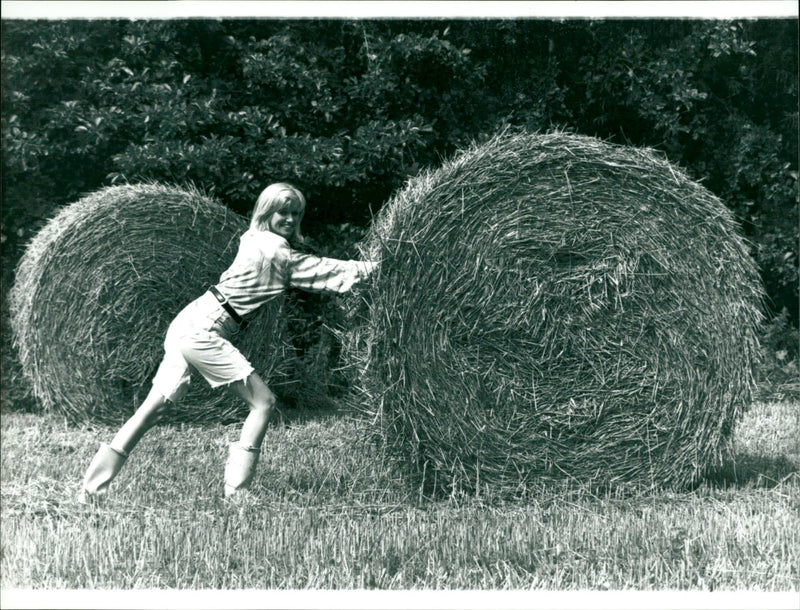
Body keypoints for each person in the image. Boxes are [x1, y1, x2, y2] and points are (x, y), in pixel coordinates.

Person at [79, 183, 377, 502]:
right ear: (267, 212)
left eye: (296, 213)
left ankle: (91, 490)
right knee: (263, 403)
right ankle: (237, 496)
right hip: (206, 328)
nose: (290, 219)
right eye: (283, 212)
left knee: (152, 410)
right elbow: (323, 272)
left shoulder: (252, 238)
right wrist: (377, 268)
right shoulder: (275, 251)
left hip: (190, 320)